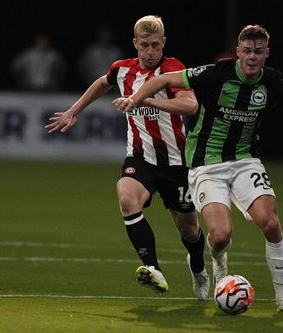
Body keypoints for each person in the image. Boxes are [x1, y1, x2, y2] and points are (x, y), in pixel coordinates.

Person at [114, 24, 283, 313]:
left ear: (267, 53)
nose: (252, 57)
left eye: (258, 51)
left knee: (271, 222)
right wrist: (135, 99)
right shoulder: (216, 73)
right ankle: (219, 266)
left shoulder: (272, 82)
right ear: (238, 52)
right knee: (220, 236)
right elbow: (163, 78)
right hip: (206, 163)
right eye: (247, 51)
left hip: (245, 160)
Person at [45, 15, 209, 300]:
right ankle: (153, 268)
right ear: (135, 43)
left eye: (155, 45)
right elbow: (102, 82)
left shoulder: (173, 69)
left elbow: (190, 104)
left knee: (190, 229)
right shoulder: (122, 70)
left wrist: (145, 99)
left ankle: (198, 268)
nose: (150, 52)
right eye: (144, 45)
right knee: (127, 198)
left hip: (177, 162)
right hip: (140, 158)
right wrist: (75, 110)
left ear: (164, 43)